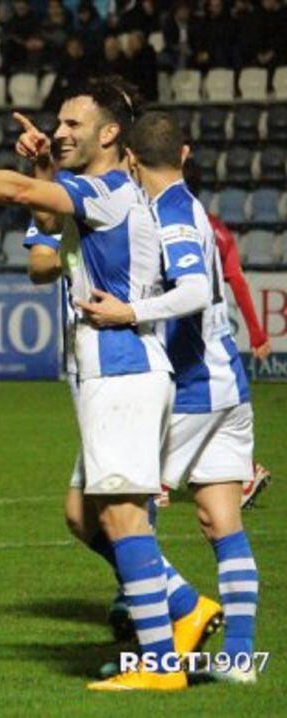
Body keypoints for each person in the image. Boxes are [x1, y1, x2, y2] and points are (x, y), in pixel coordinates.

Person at [0, 82, 211, 691]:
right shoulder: (105, 191)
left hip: (121, 368)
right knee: (86, 513)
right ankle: (179, 616)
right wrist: (43, 167)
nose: (60, 130)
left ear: (111, 134)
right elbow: (42, 217)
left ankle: (160, 664)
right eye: (58, 122)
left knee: (122, 519)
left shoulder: (112, 191)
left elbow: (18, 194)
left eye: (73, 124)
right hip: (113, 369)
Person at [78, 111, 260, 684]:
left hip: (192, 388)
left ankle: (158, 653)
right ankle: (239, 658)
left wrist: (132, 311)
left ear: (130, 158)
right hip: (227, 384)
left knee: (102, 513)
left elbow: (196, 289)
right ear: (182, 154)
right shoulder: (194, 208)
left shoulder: (169, 212)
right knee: (219, 520)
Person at [182, 161, 272, 508]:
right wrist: (257, 333)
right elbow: (237, 280)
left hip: (187, 329)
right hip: (211, 330)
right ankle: (244, 475)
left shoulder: (168, 223)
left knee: (171, 397)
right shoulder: (216, 228)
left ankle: (242, 475)